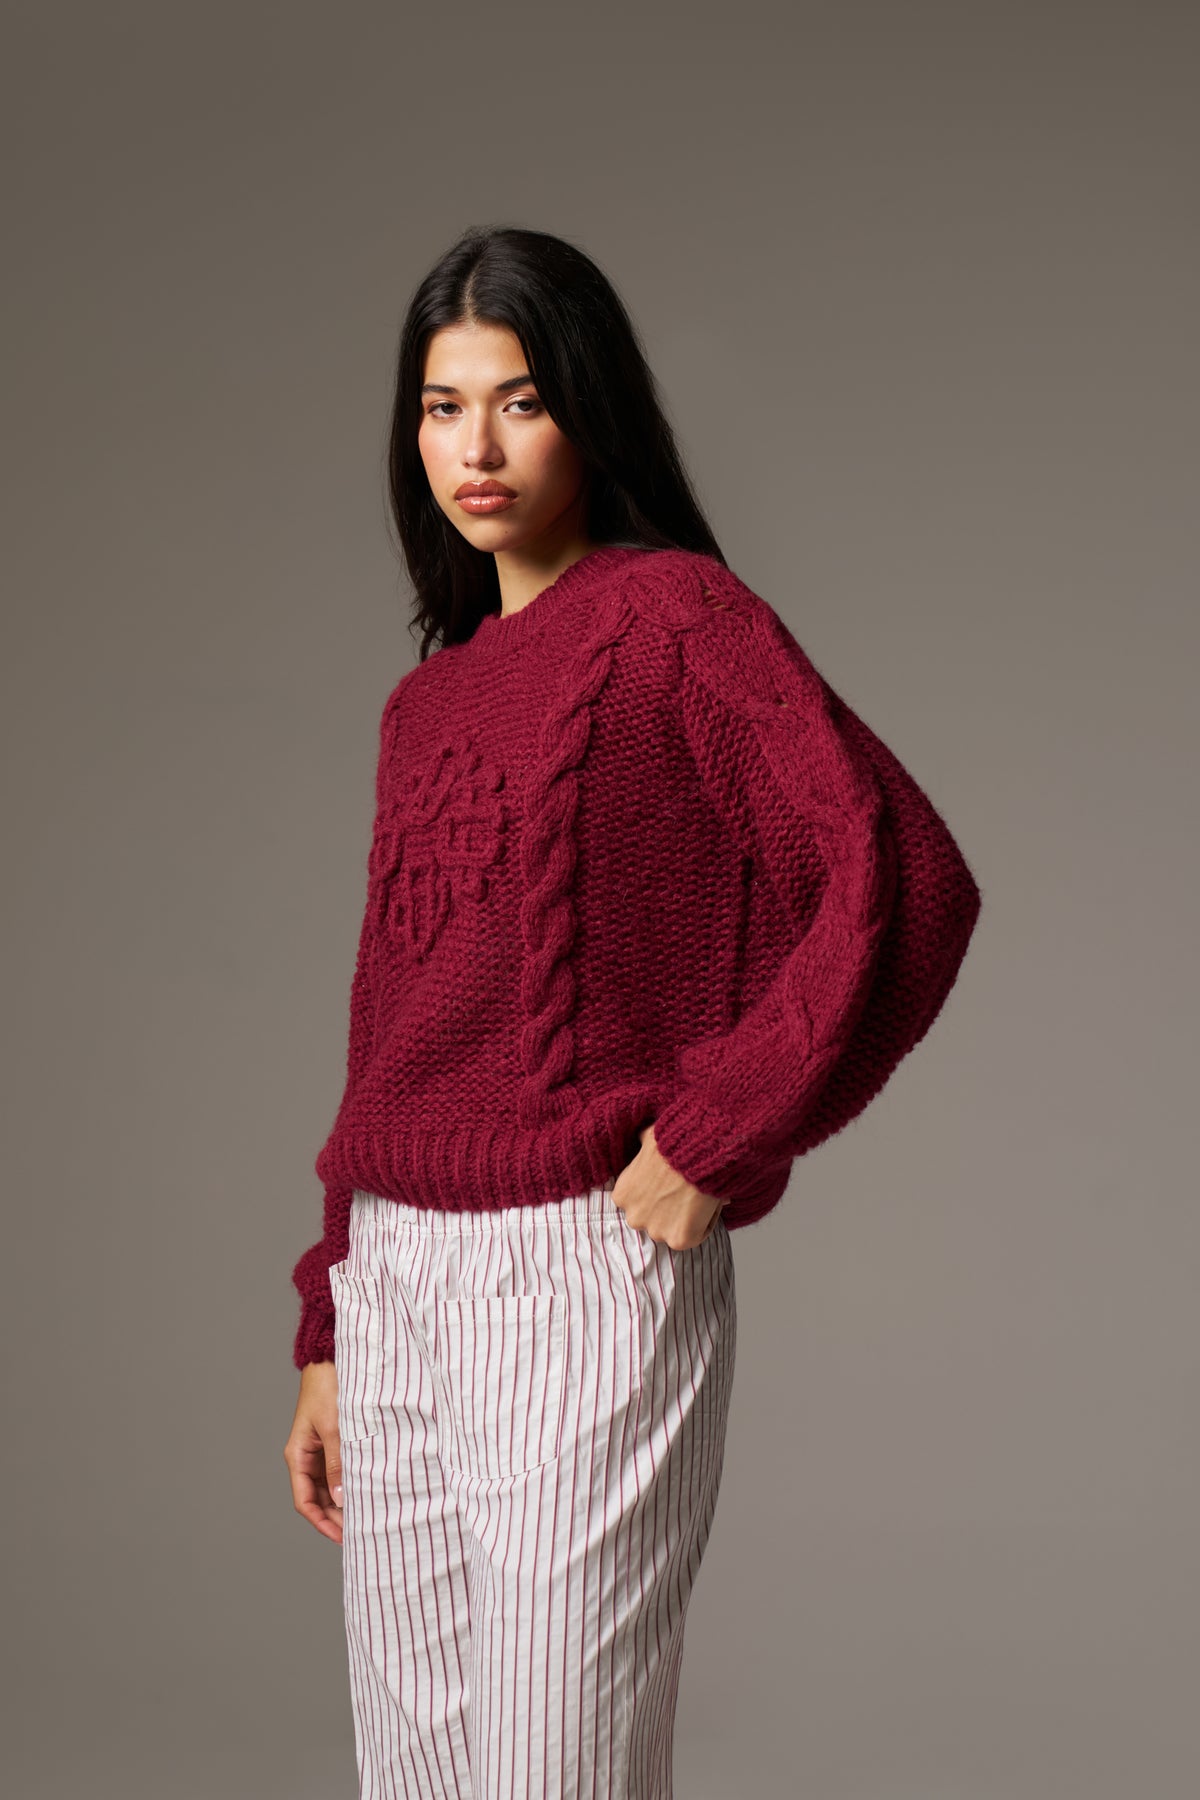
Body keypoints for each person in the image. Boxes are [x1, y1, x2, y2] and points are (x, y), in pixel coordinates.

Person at [282, 223, 982, 1800]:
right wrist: (329, 1321)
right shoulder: (426, 703)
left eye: (519, 401)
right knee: (417, 1780)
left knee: (556, 1776)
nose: (475, 447)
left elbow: (903, 878)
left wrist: (719, 1135)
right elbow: (389, 1032)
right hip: (396, 1277)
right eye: (442, 406)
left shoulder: (673, 619)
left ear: (589, 410)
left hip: (573, 1271)